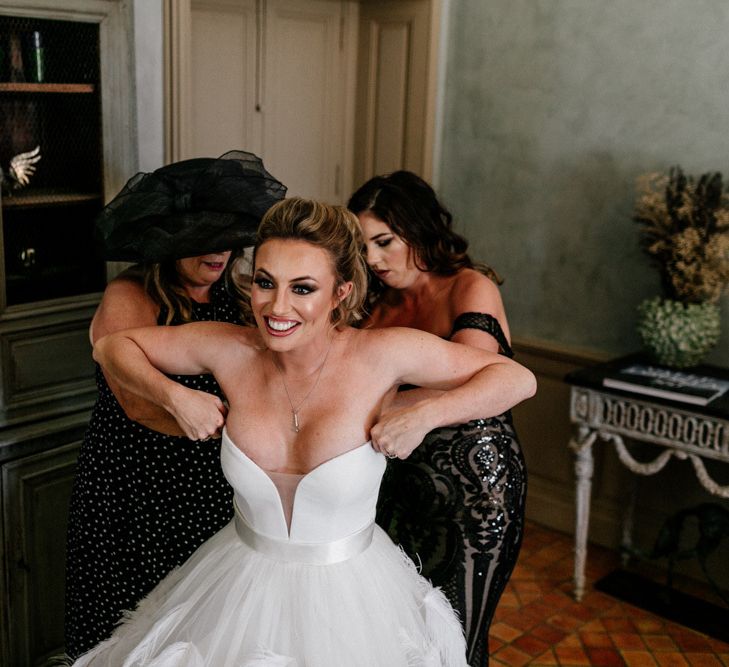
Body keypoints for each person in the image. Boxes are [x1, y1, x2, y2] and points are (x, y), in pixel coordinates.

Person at [72, 197, 536, 666]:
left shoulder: (383, 354)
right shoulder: (227, 348)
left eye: (303, 288)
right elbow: (113, 346)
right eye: (265, 282)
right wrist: (177, 398)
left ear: (341, 293)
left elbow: (517, 378)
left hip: (352, 601)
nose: (277, 307)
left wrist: (425, 415)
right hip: (237, 586)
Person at [64, 151, 286, 659]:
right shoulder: (131, 293)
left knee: (202, 631)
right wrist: (189, 404)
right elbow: (131, 400)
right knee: (131, 630)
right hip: (135, 492)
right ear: (167, 242)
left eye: (228, 239)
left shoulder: (239, 296)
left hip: (214, 492)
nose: (220, 253)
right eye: (203, 240)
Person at [348, 170, 527, 666]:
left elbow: (475, 378)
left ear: (418, 229)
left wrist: (390, 404)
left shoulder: (469, 286)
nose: (374, 260)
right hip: (396, 493)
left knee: (455, 641)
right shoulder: (373, 310)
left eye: (383, 242)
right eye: (363, 249)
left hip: (476, 492)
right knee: (398, 635)